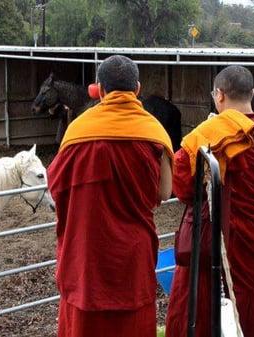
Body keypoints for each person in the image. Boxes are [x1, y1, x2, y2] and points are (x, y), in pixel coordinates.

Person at [47, 55, 174, 337]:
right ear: (137, 89)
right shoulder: (153, 131)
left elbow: (56, 189)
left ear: (100, 90)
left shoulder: (79, 131)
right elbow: (165, 192)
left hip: (87, 254)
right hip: (132, 255)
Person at [165, 65, 254, 337]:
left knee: (197, 301)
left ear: (219, 95)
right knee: (243, 297)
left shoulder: (207, 134)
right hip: (249, 240)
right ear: (252, 93)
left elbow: (182, 188)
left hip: (208, 240)